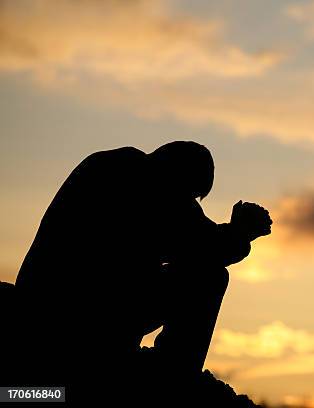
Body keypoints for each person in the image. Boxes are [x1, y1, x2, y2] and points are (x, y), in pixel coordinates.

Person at [9, 141, 272, 402]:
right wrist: (240, 233)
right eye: (191, 195)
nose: (191, 203)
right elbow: (207, 247)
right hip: (83, 316)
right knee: (210, 277)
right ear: (182, 176)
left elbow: (192, 239)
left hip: (43, 299)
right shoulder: (153, 185)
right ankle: (172, 377)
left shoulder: (109, 165)